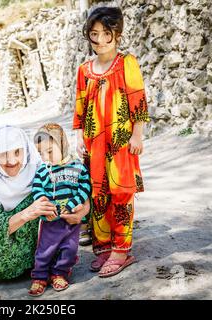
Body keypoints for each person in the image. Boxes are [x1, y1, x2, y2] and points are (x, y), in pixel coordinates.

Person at [73, 6, 150, 278]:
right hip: (94, 143)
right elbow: (81, 105)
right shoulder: (84, 70)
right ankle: (103, 247)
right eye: (94, 34)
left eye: (107, 33)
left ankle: (121, 250)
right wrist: (80, 136)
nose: (100, 40)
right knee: (98, 195)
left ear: (117, 34)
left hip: (120, 142)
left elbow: (138, 100)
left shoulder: (126, 63)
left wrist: (137, 136)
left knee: (121, 193)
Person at [0, 126, 90, 285]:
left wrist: (82, 211)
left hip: (34, 243)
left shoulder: (39, 167)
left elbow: (74, 187)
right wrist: (26, 213)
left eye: (17, 152)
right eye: (3, 155)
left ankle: (40, 267)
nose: (12, 161)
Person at [28, 123, 91, 296]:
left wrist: (72, 205)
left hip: (71, 221)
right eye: (41, 153)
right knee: (45, 249)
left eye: (49, 151)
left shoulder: (78, 167)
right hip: (51, 220)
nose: (46, 157)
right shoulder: (43, 170)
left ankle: (60, 273)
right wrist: (43, 201)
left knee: (69, 249)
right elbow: (37, 188)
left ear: (62, 144)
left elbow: (84, 189)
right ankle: (40, 276)